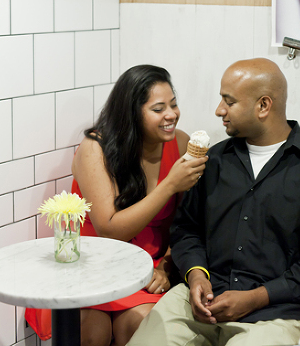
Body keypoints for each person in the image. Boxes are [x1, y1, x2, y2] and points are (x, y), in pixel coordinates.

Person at [128, 58, 300, 346]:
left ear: (263, 106)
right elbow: (187, 230)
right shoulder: (212, 162)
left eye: (229, 101)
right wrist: (197, 276)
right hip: (197, 301)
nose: (218, 110)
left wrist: (256, 297)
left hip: (278, 314)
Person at [26, 65, 207, 345]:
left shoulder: (180, 143)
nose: (171, 115)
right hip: (92, 266)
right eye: (158, 109)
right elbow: (110, 229)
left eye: (173, 104)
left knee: (141, 327)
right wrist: (170, 184)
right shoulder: (95, 149)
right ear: (132, 113)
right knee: (92, 333)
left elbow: (184, 225)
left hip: (148, 269)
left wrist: (166, 267)